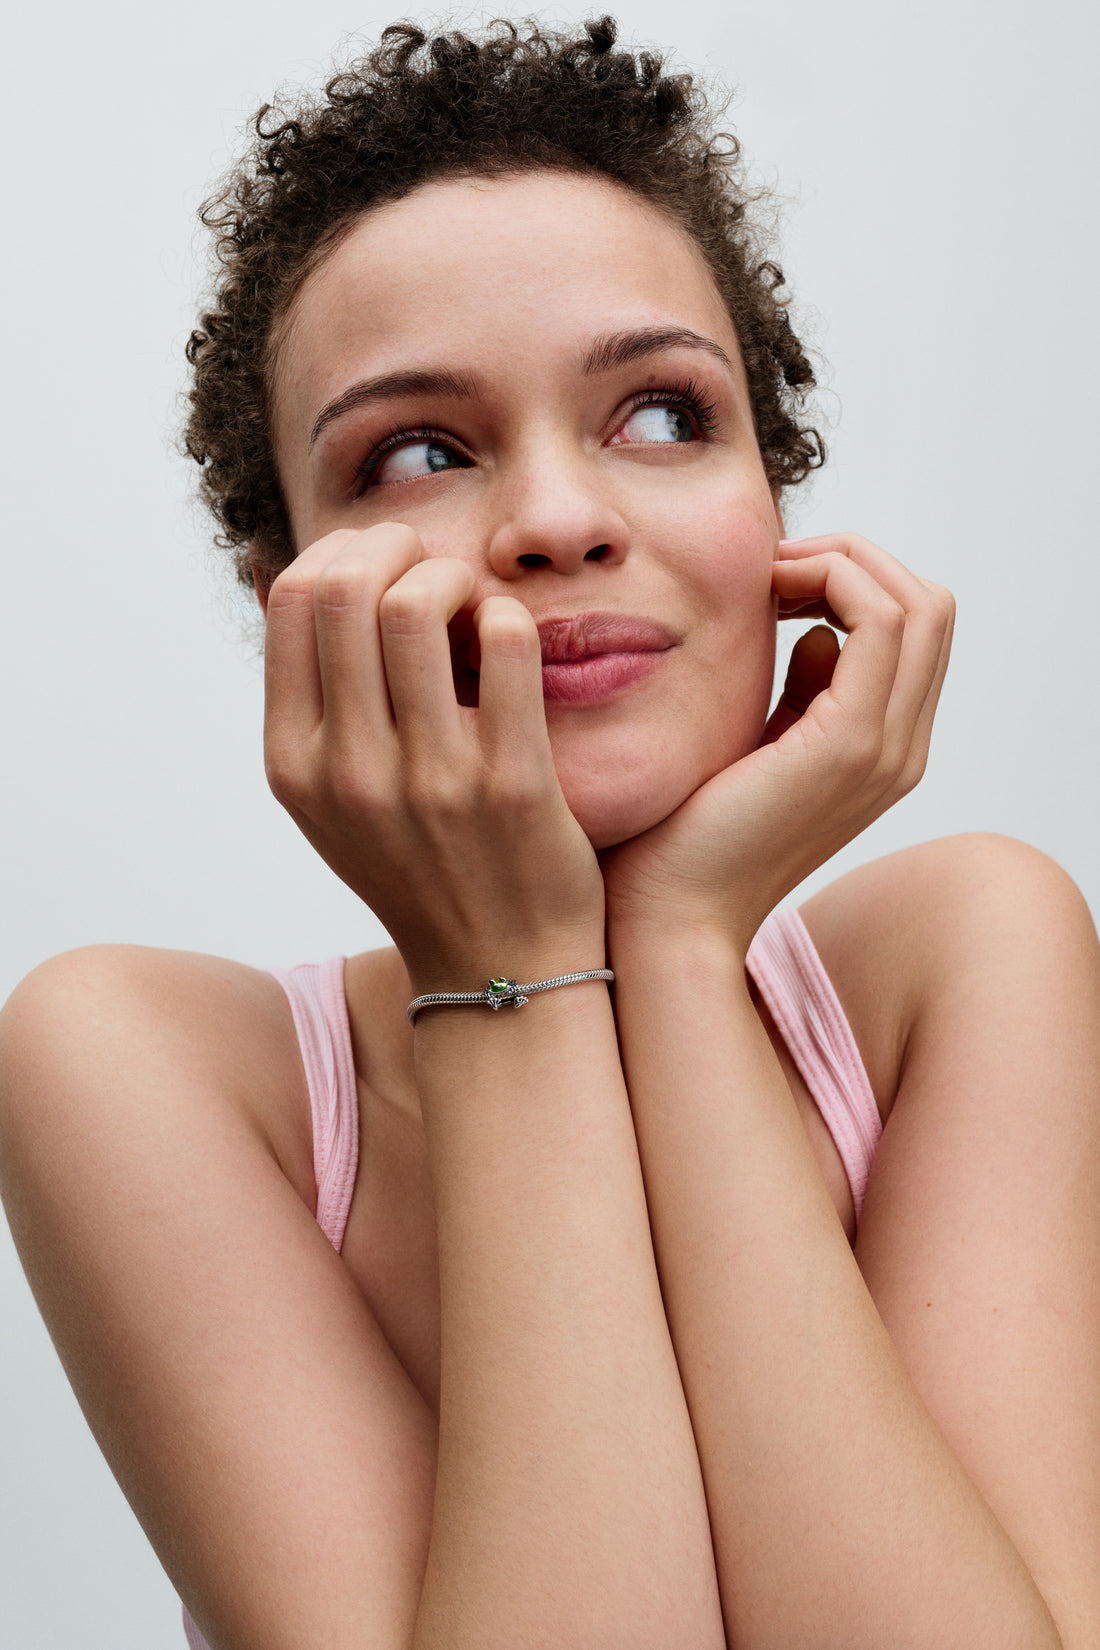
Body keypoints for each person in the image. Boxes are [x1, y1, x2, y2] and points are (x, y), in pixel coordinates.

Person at [0, 16, 1097, 1648]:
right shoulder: (139, 1062)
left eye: (661, 415)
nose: (563, 520)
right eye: (420, 451)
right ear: (287, 598)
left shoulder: (968, 952)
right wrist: (507, 964)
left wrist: (674, 942)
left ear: (774, 516)